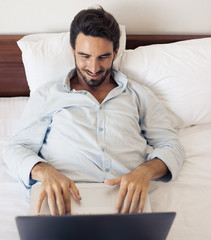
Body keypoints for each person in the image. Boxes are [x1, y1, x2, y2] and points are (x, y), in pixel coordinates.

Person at [3, 6, 184, 215]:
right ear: (72, 50)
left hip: (125, 205)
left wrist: (145, 171)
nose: (94, 67)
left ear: (116, 52)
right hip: (62, 204)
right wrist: (44, 171)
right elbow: (15, 149)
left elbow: (172, 146)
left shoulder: (139, 95)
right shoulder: (47, 95)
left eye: (103, 57)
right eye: (85, 56)